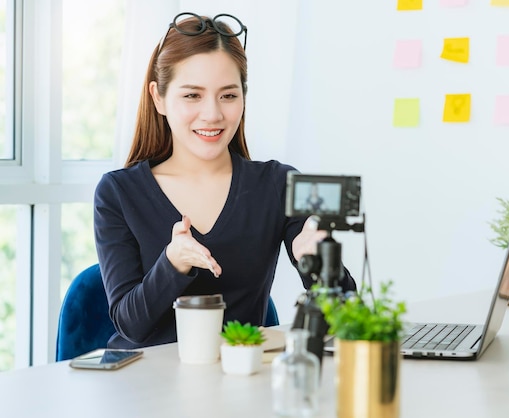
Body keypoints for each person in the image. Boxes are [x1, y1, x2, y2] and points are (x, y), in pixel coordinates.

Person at [93, 12, 356, 349]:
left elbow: (346, 316)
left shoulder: (279, 184)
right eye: (192, 96)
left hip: (239, 381)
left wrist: (318, 263)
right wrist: (173, 263)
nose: (213, 114)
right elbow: (131, 325)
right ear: (159, 97)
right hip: (145, 386)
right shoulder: (118, 192)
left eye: (228, 96)